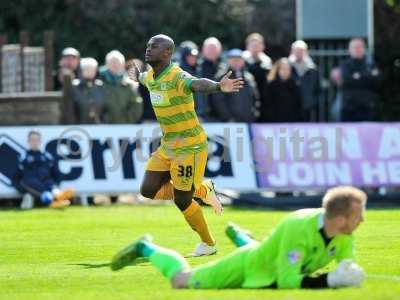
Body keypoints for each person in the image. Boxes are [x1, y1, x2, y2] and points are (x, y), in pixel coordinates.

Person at [111, 186, 366, 290]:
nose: (362, 221)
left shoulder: (344, 233)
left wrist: (349, 269)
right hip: (250, 267)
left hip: (267, 259)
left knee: (265, 249)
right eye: (358, 216)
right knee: (182, 281)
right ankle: (145, 247)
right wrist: (330, 280)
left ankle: (241, 236)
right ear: (341, 219)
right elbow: (287, 280)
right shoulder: (298, 227)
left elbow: (346, 261)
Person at [131, 34, 243, 256]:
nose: (148, 49)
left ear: (167, 53)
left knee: (183, 200)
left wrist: (219, 87)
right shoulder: (151, 76)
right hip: (168, 145)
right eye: (148, 45)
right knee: (147, 190)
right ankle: (203, 188)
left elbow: (196, 84)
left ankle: (208, 244)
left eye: (154, 46)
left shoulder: (177, 76)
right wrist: (135, 75)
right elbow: (142, 77)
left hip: (190, 146)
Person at [12, 131, 75, 209]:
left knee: (50, 183)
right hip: (31, 183)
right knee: (31, 182)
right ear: (28, 142)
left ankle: (58, 195)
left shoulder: (48, 157)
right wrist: (22, 190)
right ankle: (53, 201)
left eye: (36, 140)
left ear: (40, 141)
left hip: (46, 182)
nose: (35, 142)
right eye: (32, 140)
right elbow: (15, 178)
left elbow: (57, 174)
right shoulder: (22, 157)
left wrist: (56, 184)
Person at [339, 38, 382, 121]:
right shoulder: (345, 65)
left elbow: (378, 80)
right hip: (349, 109)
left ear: (364, 48)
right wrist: (368, 76)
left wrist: (358, 76)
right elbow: (347, 80)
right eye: (355, 47)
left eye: (360, 47)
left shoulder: (371, 64)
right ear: (349, 49)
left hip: (368, 108)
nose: (357, 49)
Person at [210, 49, 258, 122]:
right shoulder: (222, 77)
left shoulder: (249, 77)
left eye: (239, 59)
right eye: (233, 59)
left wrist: (254, 114)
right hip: (230, 122)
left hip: (249, 121)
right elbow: (218, 101)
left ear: (243, 61)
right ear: (228, 61)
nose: (236, 62)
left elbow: (255, 97)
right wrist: (228, 118)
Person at [100, 50, 143, 123]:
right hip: (104, 127)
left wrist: (127, 121)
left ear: (122, 64)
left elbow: (136, 105)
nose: (115, 64)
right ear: (106, 64)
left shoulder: (130, 84)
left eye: (117, 62)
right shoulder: (100, 84)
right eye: (112, 62)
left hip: (126, 127)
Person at [242, 33, 272, 122]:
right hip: (246, 101)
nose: (255, 48)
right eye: (253, 45)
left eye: (258, 45)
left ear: (263, 46)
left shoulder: (268, 64)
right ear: (247, 46)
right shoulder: (241, 62)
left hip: (264, 102)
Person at [289, 40, 320, 122]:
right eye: (297, 50)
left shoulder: (313, 69)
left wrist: (312, 101)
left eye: (301, 51)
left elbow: (317, 88)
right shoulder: (287, 67)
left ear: (306, 52)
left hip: (308, 107)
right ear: (292, 51)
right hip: (290, 107)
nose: (299, 53)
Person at [196, 37, 226, 120]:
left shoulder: (225, 67)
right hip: (200, 115)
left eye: (214, 48)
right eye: (209, 48)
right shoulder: (196, 67)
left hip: (221, 115)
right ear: (203, 50)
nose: (212, 51)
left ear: (220, 50)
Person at [267, 58, 302, 122]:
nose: (285, 71)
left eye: (287, 69)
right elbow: (268, 104)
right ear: (278, 70)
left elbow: (298, 104)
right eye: (283, 69)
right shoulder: (271, 85)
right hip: (275, 120)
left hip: (292, 120)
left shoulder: (295, 84)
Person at [72, 57, 105, 124]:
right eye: (86, 69)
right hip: (79, 125)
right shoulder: (74, 86)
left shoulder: (100, 86)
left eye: (92, 69)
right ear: (81, 70)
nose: (89, 72)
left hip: (98, 126)